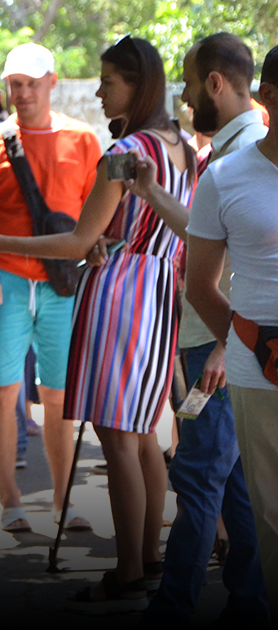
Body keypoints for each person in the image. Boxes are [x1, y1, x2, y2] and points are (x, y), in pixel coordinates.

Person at [0, 36, 195, 612]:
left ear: (136, 84)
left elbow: (79, 241)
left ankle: (128, 572)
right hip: (161, 291)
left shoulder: (125, 150)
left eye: (109, 81)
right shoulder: (180, 146)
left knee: (118, 439)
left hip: (122, 296)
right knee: (142, 436)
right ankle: (148, 562)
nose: (101, 92)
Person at [134, 33, 270, 627]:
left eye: (189, 85)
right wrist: (148, 190)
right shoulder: (228, 155)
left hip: (226, 347)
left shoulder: (250, 154)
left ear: (216, 83)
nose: (185, 99)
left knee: (197, 475)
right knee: (235, 484)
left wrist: (225, 343)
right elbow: (206, 236)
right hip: (217, 341)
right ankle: (248, 601)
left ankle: (174, 606)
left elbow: (251, 265)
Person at [0, 42, 101, 534]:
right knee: (2, 391)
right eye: (15, 84)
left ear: (52, 82)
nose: (23, 93)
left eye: (32, 83)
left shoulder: (83, 139)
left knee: (58, 396)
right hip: (8, 279)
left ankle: (63, 502)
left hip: (63, 283)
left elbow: (97, 219)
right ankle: (10, 501)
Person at [185, 44, 278, 623]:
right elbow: (200, 284)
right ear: (268, 96)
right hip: (255, 365)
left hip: (248, 355)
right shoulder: (224, 175)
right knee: (267, 515)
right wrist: (248, 343)